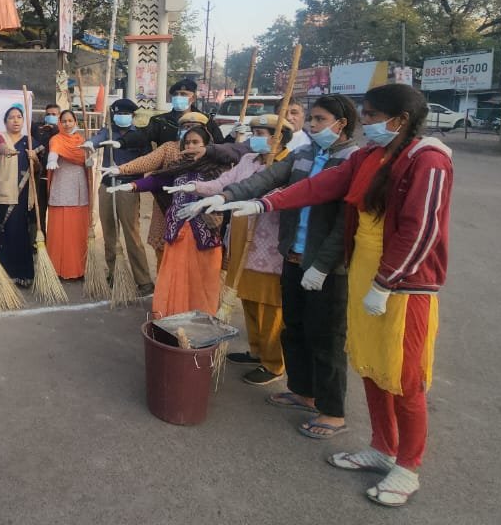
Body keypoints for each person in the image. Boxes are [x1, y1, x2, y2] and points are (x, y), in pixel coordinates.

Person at [213, 84, 451, 507]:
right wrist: (264, 205)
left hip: (403, 284)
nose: (369, 124)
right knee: (372, 367)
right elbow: (319, 188)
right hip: (365, 274)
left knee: (405, 377)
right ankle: (382, 446)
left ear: (401, 119)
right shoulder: (368, 157)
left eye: (375, 116)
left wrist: (386, 281)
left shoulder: (428, 160)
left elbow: (422, 230)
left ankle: (408, 466)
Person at [194, 94, 360, 439]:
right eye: (311, 119)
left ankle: (332, 411)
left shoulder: (353, 160)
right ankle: (303, 391)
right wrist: (223, 197)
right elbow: (263, 180)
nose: (311, 126)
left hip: (326, 265)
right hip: (294, 255)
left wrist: (325, 264)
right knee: (295, 328)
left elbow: (346, 222)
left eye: (319, 120)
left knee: (326, 338)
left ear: (341, 123)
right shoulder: (305, 154)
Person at [180, 114, 295, 387]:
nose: (256, 136)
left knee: (270, 307)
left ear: (279, 136)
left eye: (262, 131)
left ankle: (273, 363)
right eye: (253, 130)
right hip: (242, 238)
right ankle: (256, 351)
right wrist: (196, 187)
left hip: (271, 244)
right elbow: (225, 183)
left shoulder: (287, 163)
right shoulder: (247, 160)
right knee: (248, 299)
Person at [107, 125, 235, 316]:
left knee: (202, 281)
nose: (190, 146)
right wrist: (131, 185)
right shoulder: (178, 165)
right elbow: (157, 180)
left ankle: (201, 322)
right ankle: (171, 317)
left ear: (206, 145)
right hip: (178, 232)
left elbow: (229, 191)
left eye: (195, 142)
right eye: (188, 142)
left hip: (206, 235)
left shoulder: (220, 169)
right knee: (175, 278)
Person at [107, 110, 247, 268]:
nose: (190, 141)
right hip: (167, 209)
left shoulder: (216, 158)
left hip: (206, 223)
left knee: (202, 267)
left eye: (194, 128)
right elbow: (150, 166)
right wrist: (123, 171)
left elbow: (230, 172)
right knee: (166, 254)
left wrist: (234, 138)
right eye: (185, 127)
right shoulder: (170, 149)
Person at [86, 98, 154, 294]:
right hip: (107, 186)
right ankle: (114, 273)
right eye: (118, 114)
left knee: (131, 232)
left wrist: (128, 172)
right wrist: (91, 143)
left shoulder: (140, 135)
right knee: (109, 233)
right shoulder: (107, 131)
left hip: (127, 188)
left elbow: (148, 160)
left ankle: (143, 280)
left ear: (132, 116)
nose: (121, 117)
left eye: (125, 114)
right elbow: (98, 139)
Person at [0, 104, 36, 287]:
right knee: (5, 232)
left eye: (19, 117)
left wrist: (35, 159)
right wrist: (7, 151)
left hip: (24, 194)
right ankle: (5, 276)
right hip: (4, 194)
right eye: (11, 117)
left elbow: (38, 169)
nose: (16, 120)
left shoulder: (30, 141)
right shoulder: (0, 137)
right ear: (5, 121)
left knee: (22, 234)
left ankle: (23, 274)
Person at [44, 110, 91, 280]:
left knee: (77, 232)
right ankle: (56, 269)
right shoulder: (56, 139)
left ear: (76, 122)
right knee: (59, 232)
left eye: (70, 120)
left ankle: (78, 270)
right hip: (62, 186)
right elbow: (54, 151)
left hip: (79, 190)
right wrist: (51, 160)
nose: (67, 124)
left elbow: (86, 159)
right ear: (59, 123)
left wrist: (90, 157)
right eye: (63, 121)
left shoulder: (82, 140)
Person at [146, 78, 224, 147]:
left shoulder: (206, 120)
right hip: (169, 162)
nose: (178, 97)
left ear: (193, 98)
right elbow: (143, 142)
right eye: (175, 94)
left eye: (183, 94)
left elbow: (220, 145)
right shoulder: (160, 121)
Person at [31, 102, 61, 233]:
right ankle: (40, 242)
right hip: (40, 177)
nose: (50, 116)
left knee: (56, 213)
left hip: (57, 179)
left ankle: (55, 243)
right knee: (39, 212)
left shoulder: (63, 131)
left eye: (54, 114)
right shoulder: (38, 129)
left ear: (59, 116)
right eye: (48, 114)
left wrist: (55, 129)